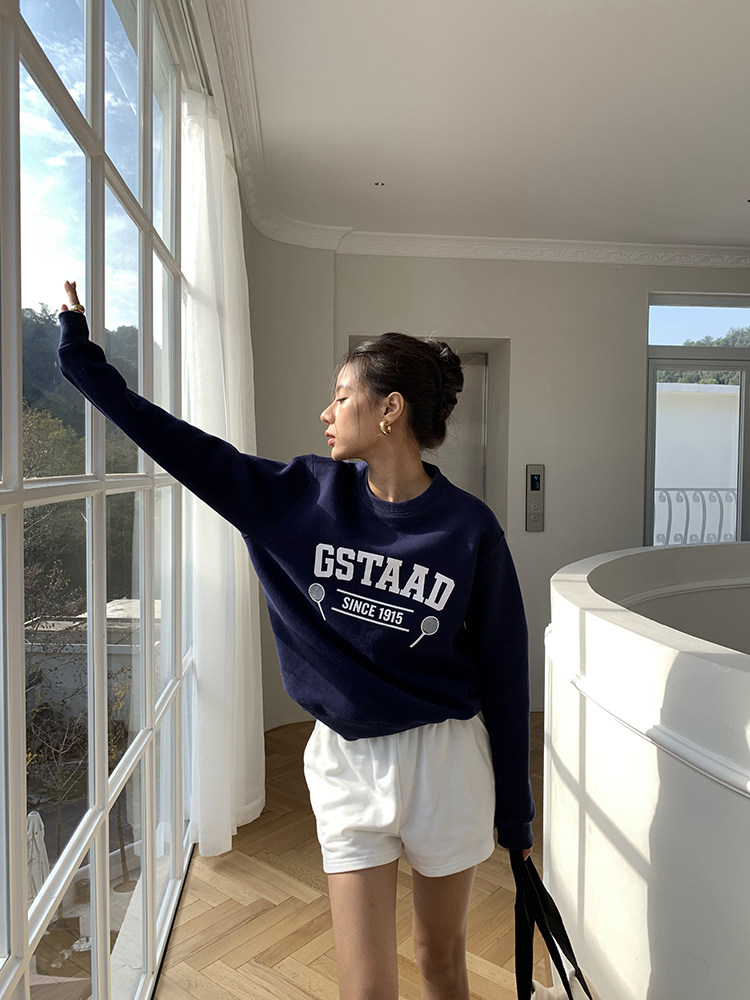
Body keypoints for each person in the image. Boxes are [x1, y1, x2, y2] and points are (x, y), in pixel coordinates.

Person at [58, 279, 534, 1000]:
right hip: (346, 763)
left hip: (446, 762)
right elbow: (179, 445)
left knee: (441, 963)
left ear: (390, 409)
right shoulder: (296, 499)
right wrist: (81, 356)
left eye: (342, 396)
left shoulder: (469, 527)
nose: (327, 412)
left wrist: (517, 812)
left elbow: (504, 667)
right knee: (365, 990)